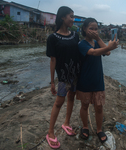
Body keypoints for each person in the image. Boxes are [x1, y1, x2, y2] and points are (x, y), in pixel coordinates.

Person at [76, 18, 119, 143]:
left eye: (96, 29)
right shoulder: (82, 44)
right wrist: (108, 47)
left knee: (99, 107)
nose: (94, 31)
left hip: (98, 81)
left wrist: (100, 39)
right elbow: (94, 53)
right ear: (84, 29)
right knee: (84, 105)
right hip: (84, 81)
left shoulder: (97, 42)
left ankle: (99, 129)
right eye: (91, 28)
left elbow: (108, 52)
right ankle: (85, 127)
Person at [46, 6, 80, 149]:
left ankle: (66, 123)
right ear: (62, 18)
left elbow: (79, 53)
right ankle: (50, 132)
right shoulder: (53, 38)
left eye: (73, 16)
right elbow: (53, 60)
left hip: (76, 74)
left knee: (71, 97)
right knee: (59, 102)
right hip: (63, 76)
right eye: (70, 16)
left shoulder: (75, 35)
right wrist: (52, 81)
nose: (73, 19)